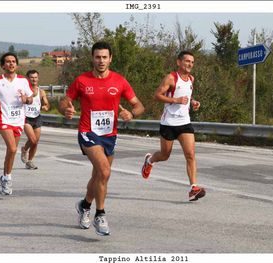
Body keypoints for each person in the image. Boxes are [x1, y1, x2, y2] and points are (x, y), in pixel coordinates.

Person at [58, 41, 145, 236]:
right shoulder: (82, 80)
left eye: (105, 57)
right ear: (92, 58)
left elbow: (139, 105)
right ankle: (100, 214)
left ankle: (84, 205)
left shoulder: (120, 81)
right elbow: (64, 100)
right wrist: (66, 109)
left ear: (110, 58)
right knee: (104, 171)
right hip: (87, 132)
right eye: (98, 57)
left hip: (109, 135)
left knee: (98, 175)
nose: (101, 60)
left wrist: (131, 113)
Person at [141, 51, 206, 202]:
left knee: (190, 155)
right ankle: (150, 161)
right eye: (187, 61)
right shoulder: (171, 78)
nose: (190, 64)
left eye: (192, 62)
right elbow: (157, 95)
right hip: (168, 123)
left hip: (184, 123)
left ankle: (193, 188)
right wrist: (176, 100)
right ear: (179, 62)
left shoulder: (191, 79)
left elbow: (187, 97)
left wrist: (193, 102)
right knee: (165, 155)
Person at [0, 52, 34, 195]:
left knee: (11, 152)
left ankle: (5, 177)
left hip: (18, 120)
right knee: (12, 149)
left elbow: (31, 98)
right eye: (8, 61)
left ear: (16, 64)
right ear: (3, 65)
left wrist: (26, 100)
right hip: (3, 118)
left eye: (13, 61)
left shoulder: (23, 81)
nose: (11, 64)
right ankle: (8, 179)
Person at [20, 70, 50, 169]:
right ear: (27, 79)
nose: (34, 79)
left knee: (35, 142)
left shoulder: (41, 91)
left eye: (35, 77)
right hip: (26, 118)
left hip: (37, 118)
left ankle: (30, 161)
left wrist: (46, 106)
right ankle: (24, 150)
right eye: (31, 77)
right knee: (32, 140)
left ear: (38, 78)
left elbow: (46, 103)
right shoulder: (23, 91)